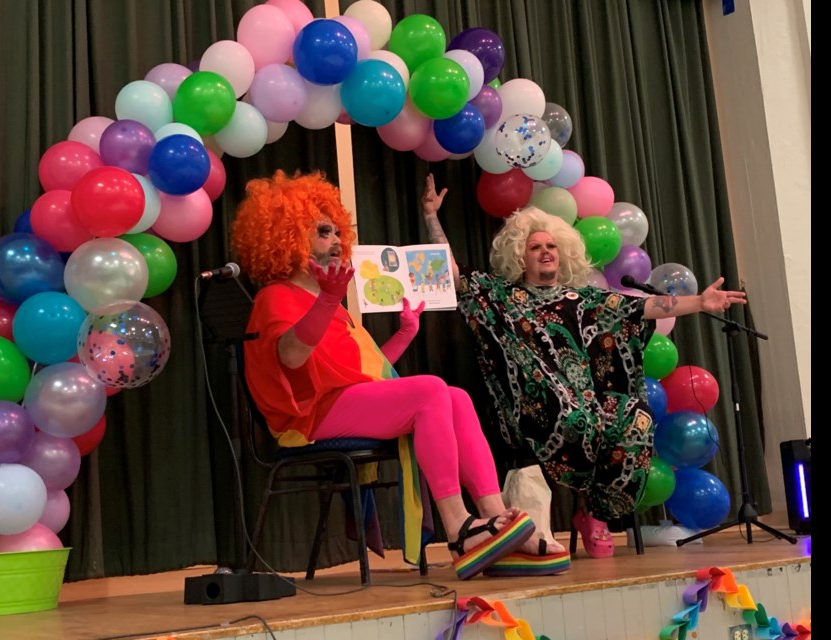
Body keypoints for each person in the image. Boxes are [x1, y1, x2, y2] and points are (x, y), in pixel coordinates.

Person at [230, 170, 571, 580]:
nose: (338, 240)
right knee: (429, 391)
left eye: (338, 231)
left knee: (455, 396)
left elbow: (367, 372)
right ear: (287, 236)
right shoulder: (276, 297)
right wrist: (328, 300)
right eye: (324, 231)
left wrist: (406, 333)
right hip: (309, 418)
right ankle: (459, 528)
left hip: (343, 401)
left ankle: (497, 522)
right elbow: (290, 356)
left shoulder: (329, 304)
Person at [420, 173, 746, 558]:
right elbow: (452, 275)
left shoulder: (584, 298)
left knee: (633, 414)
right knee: (576, 417)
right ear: (519, 256)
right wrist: (431, 218)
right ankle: (582, 510)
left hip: (585, 406)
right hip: (528, 408)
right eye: (536, 246)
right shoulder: (500, 295)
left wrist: (700, 303)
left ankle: (595, 510)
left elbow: (643, 307)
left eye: (552, 246)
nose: (546, 251)